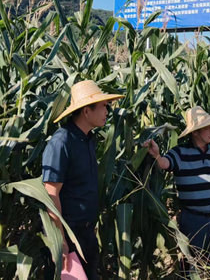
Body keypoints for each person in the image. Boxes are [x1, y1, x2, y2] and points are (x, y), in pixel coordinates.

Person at [143, 106, 210, 277]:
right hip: (193, 221)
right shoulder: (179, 153)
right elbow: (165, 163)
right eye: (207, 127)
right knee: (194, 267)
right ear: (195, 132)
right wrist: (157, 155)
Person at [42, 80, 124, 280]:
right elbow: (51, 194)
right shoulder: (62, 143)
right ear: (86, 111)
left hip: (87, 233)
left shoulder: (88, 139)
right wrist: (59, 239)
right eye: (104, 106)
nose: (107, 111)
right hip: (68, 235)